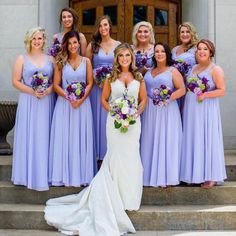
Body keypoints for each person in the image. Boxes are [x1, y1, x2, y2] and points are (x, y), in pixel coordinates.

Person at [45, 43, 147, 236]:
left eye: (127, 55)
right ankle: (113, 196)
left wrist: (135, 114)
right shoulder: (111, 77)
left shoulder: (139, 77)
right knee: (115, 156)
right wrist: (116, 114)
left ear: (132, 57)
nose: (125, 58)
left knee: (131, 156)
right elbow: (104, 100)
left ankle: (128, 198)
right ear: (117, 58)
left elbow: (143, 100)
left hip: (133, 124)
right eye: (121, 56)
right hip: (114, 123)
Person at [48, 30, 95, 187]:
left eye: (75, 42)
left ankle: (81, 175)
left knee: (80, 137)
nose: (73, 45)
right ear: (65, 45)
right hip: (65, 105)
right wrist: (69, 97)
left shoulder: (87, 62)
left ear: (79, 44)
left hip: (82, 105)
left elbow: (90, 83)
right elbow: (56, 85)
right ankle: (63, 175)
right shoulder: (61, 61)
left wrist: (80, 99)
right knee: (65, 137)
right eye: (70, 43)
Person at [11, 27, 55, 191]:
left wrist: (46, 91)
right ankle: (25, 174)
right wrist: (33, 91)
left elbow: (54, 82)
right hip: (28, 101)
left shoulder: (51, 59)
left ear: (44, 40)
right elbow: (15, 81)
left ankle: (44, 174)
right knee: (28, 135)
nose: (37, 41)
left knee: (43, 135)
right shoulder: (22, 58)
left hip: (45, 102)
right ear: (29, 40)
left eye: (40, 38)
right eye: (34, 39)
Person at [180, 39, 226, 188]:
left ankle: (210, 176)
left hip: (206, 109)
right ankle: (194, 174)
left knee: (206, 138)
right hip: (191, 109)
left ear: (210, 52)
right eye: (199, 49)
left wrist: (206, 95)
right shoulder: (192, 68)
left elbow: (222, 90)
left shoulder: (215, 69)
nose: (201, 51)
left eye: (205, 49)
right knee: (193, 138)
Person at [141, 42, 185, 187]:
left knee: (165, 140)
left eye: (162, 51)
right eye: (157, 51)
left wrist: (166, 98)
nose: (159, 54)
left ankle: (165, 176)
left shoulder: (172, 71)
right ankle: (149, 176)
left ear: (167, 54)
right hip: (149, 112)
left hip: (166, 110)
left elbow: (181, 90)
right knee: (150, 140)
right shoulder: (148, 71)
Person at [86, 15, 120, 161]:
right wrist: (95, 77)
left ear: (110, 26)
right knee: (96, 120)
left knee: (109, 118)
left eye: (105, 25)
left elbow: (122, 65)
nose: (103, 28)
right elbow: (87, 66)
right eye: (100, 26)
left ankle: (109, 154)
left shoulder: (118, 45)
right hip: (96, 88)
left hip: (112, 88)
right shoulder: (92, 46)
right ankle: (96, 155)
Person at [172, 22, 199, 112]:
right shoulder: (174, 49)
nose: (185, 34)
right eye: (182, 32)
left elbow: (202, 68)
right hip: (176, 87)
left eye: (187, 32)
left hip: (189, 87)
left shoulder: (196, 49)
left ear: (192, 34)